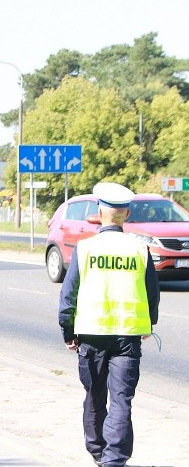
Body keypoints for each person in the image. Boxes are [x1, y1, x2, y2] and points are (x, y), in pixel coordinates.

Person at [58, 182, 160, 467]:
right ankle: (114, 460)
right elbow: (152, 293)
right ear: (126, 215)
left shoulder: (85, 248)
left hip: (90, 335)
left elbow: (69, 295)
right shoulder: (140, 249)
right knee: (121, 400)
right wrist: (148, 323)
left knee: (94, 395)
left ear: (99, 213)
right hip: (127, 337)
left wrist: (68, 332)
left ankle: (98, 452)